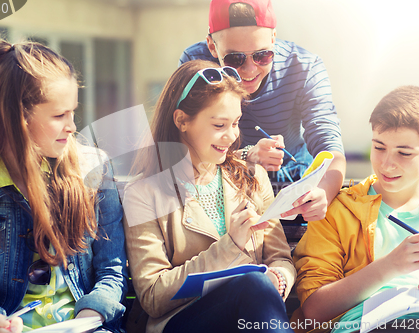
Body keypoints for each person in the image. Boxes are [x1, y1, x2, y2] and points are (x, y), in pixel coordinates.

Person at [0, 38, 127, 333]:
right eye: (59, 115)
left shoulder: (94, 168)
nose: (72, 126)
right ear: (18, 118)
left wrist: (89, 317)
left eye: (72, 111)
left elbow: (112, 271)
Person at [122, 59, 296, 333]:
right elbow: (153, 295)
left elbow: (281, 258)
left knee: (256, 284)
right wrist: (231, 246)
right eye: (219, 125)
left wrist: (279, 279)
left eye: (236, 123)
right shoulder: (143, 194)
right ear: (182, 120)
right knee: (252, 284)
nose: (231, 136)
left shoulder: (252, 177)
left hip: (250, 318)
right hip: (182, 322)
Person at [293, 85, 419, 332]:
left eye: (404, 153)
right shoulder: (338, 211)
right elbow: (314, 310)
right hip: (364, 326)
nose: (387, 163)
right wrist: (389, 266)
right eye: (379, 147)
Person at [179, 0, 346, 222]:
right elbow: (185, 148)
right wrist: (248, 156)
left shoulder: (304, 66)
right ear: (212, 47)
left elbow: (330, 145)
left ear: (273, 39)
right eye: (235, 59)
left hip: (293, 179)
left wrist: (323, 192)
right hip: (223, 180)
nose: (249, 70)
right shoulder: (197, 64)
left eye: (262, 55)